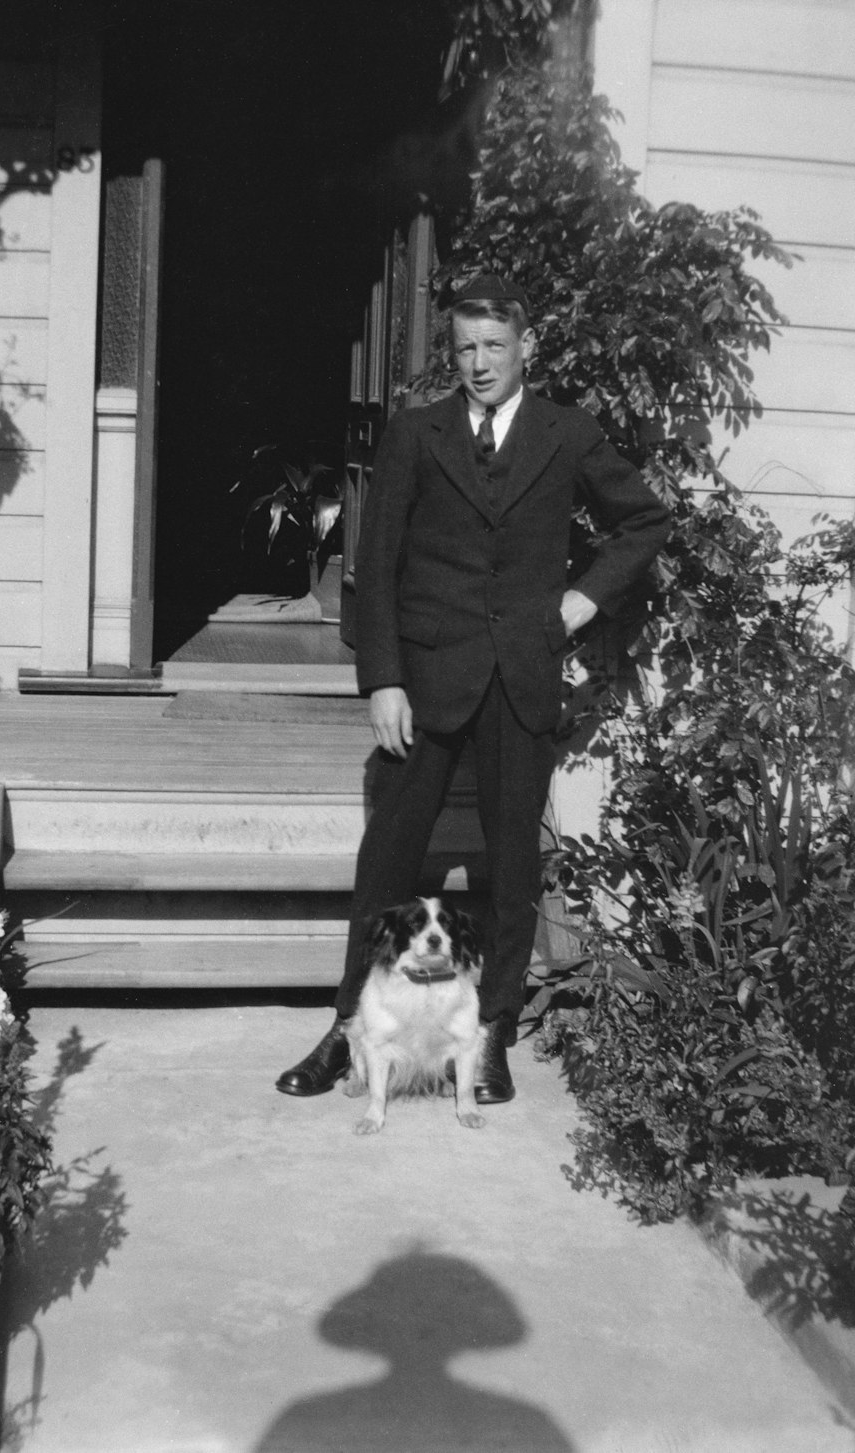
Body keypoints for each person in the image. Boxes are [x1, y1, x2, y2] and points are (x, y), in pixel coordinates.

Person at [276, 274, 671, 1103]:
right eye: (465, 348)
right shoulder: (417, 436)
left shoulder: (568, 434)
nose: (480, 362)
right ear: (450, 353)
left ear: (526, 347)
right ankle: (350, 1029)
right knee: (386, 856)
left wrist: (579, 602)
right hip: (425, 679)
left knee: (514, 865)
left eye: (495, 346)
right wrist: (382, 677)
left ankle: (490, 1035)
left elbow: (645, 521)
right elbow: (375, 563)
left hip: (520, 678)